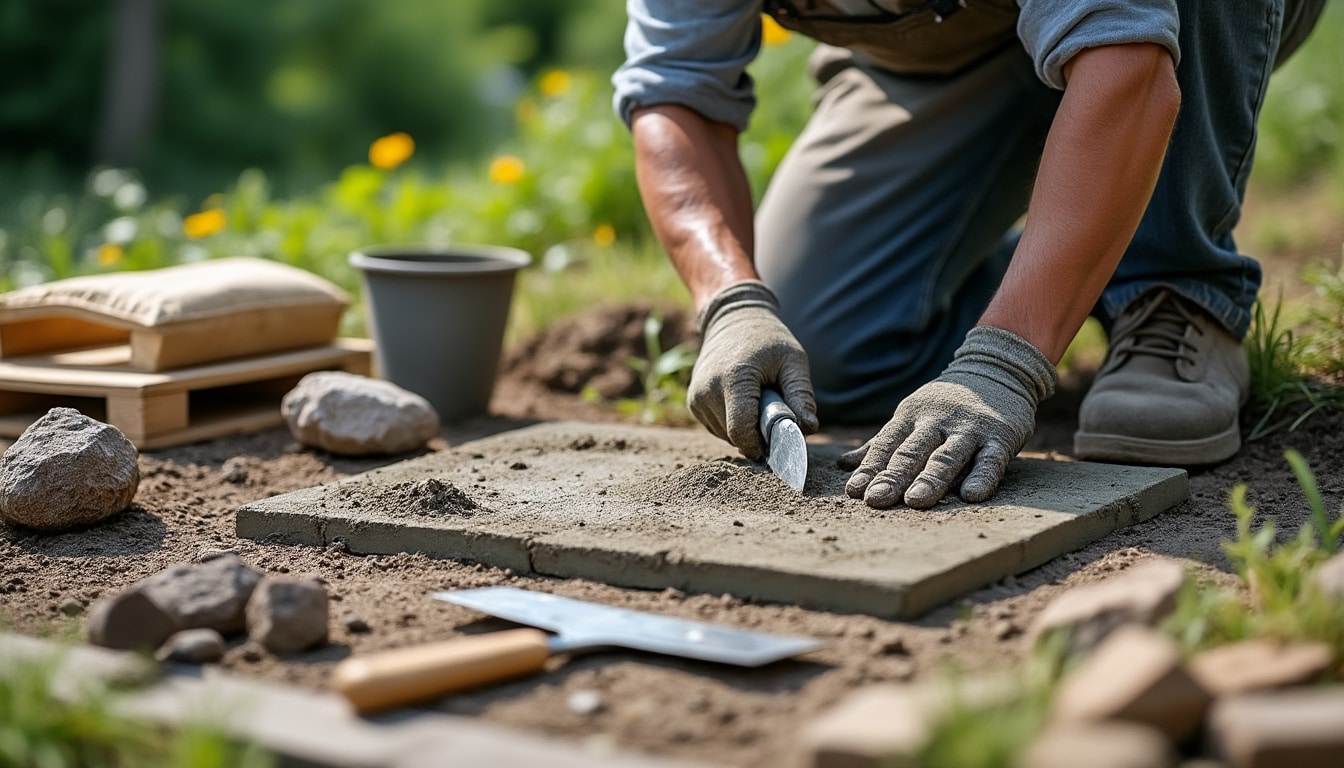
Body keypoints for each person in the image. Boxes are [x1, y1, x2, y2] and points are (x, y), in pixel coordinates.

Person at [613, 0, 1326, 510]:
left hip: (1167, 24)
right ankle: (1061, 273)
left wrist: (1004, 362)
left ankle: (1176, 288)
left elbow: (1126, 60)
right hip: (943, 57)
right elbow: (676, 93)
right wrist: (732, 302)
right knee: (824, 351)